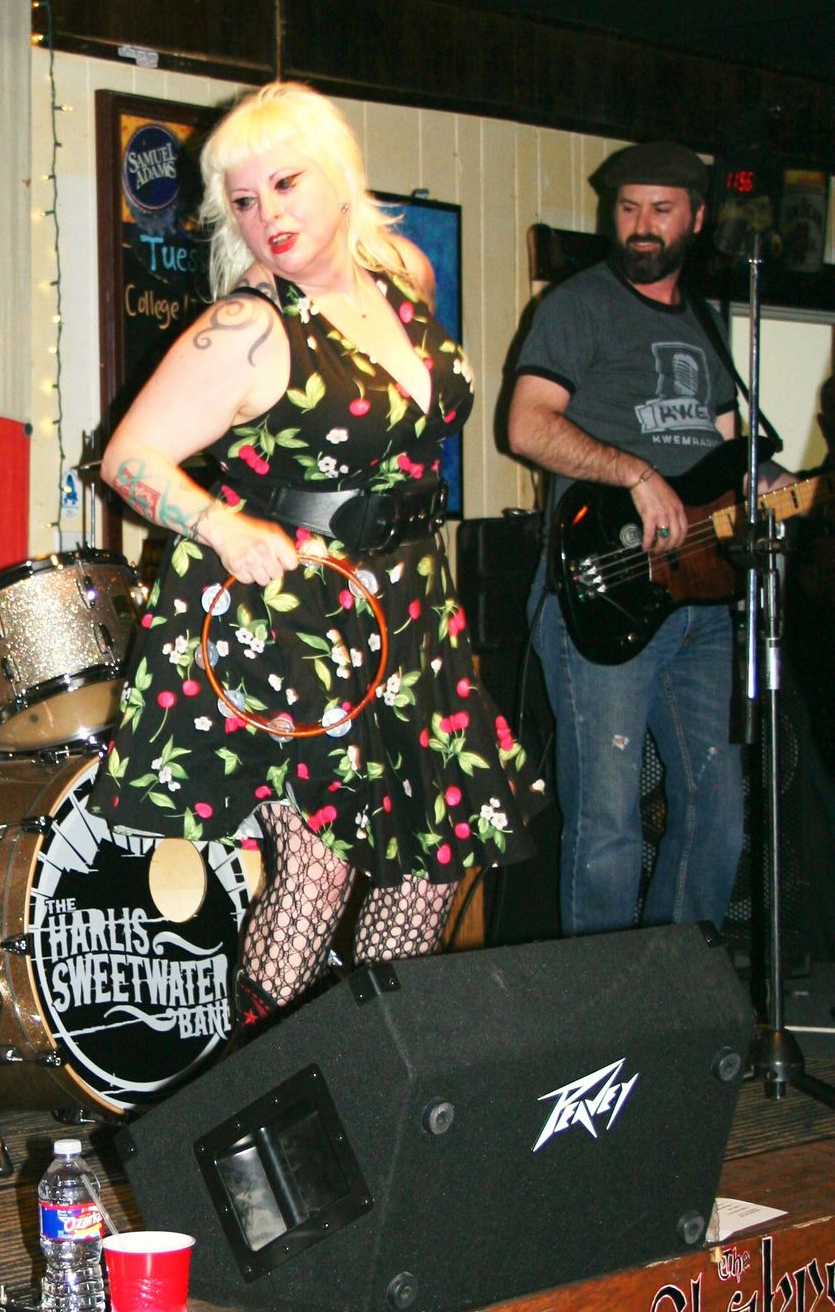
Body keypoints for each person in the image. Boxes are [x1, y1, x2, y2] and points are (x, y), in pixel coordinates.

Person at [89, 82, 541, 1025]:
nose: (269, 216)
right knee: (317, 869)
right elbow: (128, 459)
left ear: (339, 176)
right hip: (294, 609)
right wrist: (220, 525)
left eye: (286, 184)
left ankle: (369, 1073)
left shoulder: (403, 274)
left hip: (409, 598)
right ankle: (251, 1091)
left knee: (434, 854)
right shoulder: (250, 325)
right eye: (245, 202)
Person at [508, 141, 752, 938]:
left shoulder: (706, 323)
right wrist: (633, 473)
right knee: (607, 822)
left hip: (703, 598)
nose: (642, 224)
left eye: (662, 209)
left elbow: (729, 454)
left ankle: (674, 987)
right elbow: (527, 426)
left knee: (719, 810)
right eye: (627, 207)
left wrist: (775, 487)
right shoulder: (577, 306)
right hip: (605, 586)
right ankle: (603, 1003)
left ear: (698, 219)